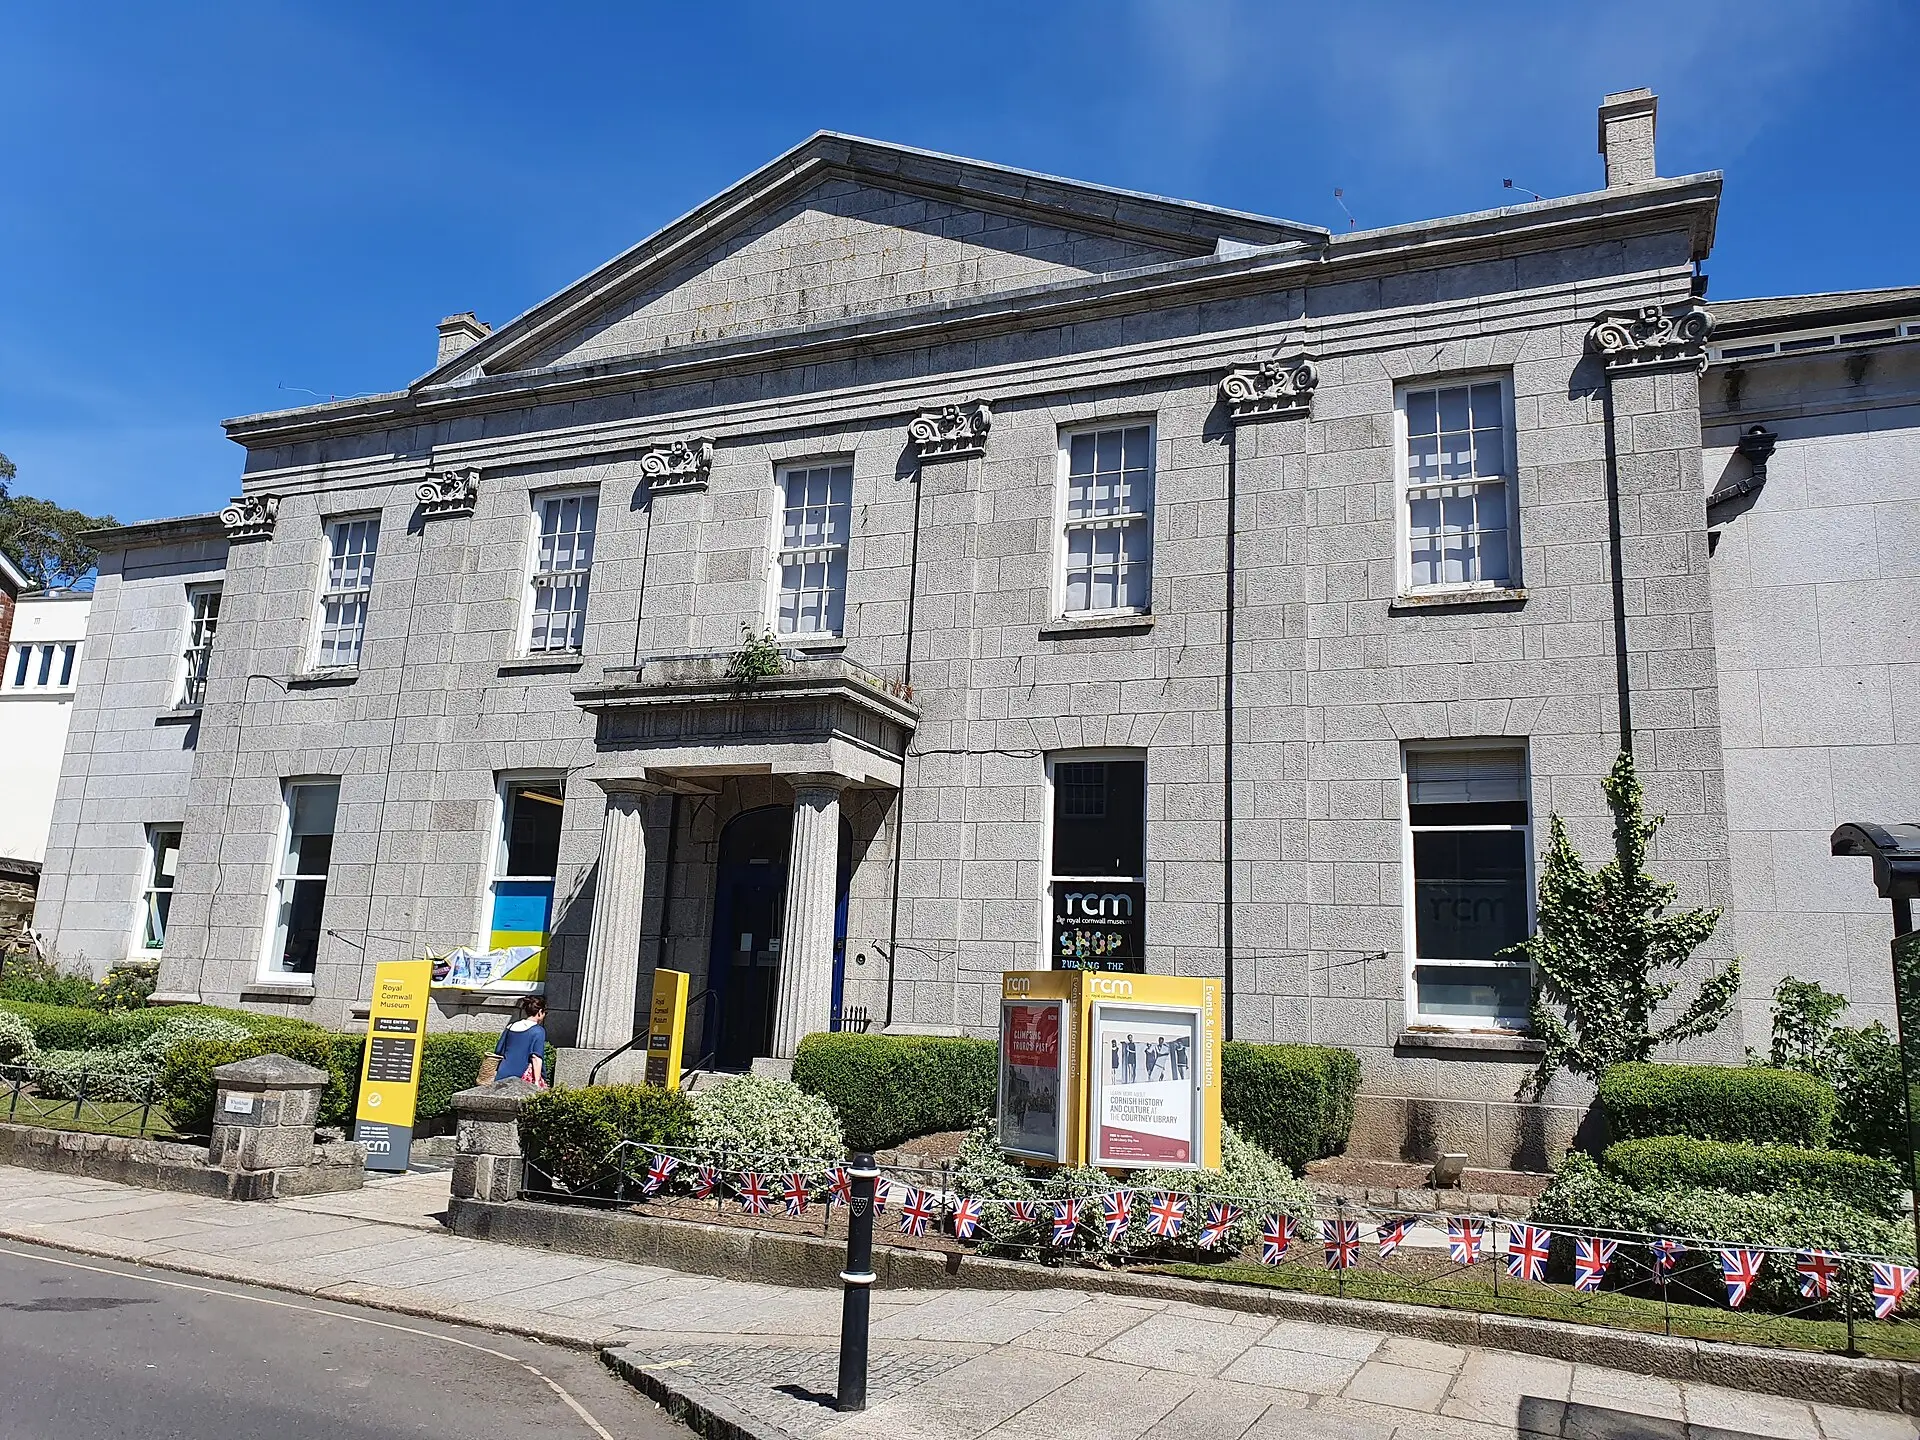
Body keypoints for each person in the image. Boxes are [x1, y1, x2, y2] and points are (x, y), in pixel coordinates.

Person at [494, 995, 548, 1087]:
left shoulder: (510, 1026)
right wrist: (537, 1082)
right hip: (522, 1077)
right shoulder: (538, 1031)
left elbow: (499, 1050)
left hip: (502, 1074)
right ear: (540, 1012)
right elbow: (536, 1057)